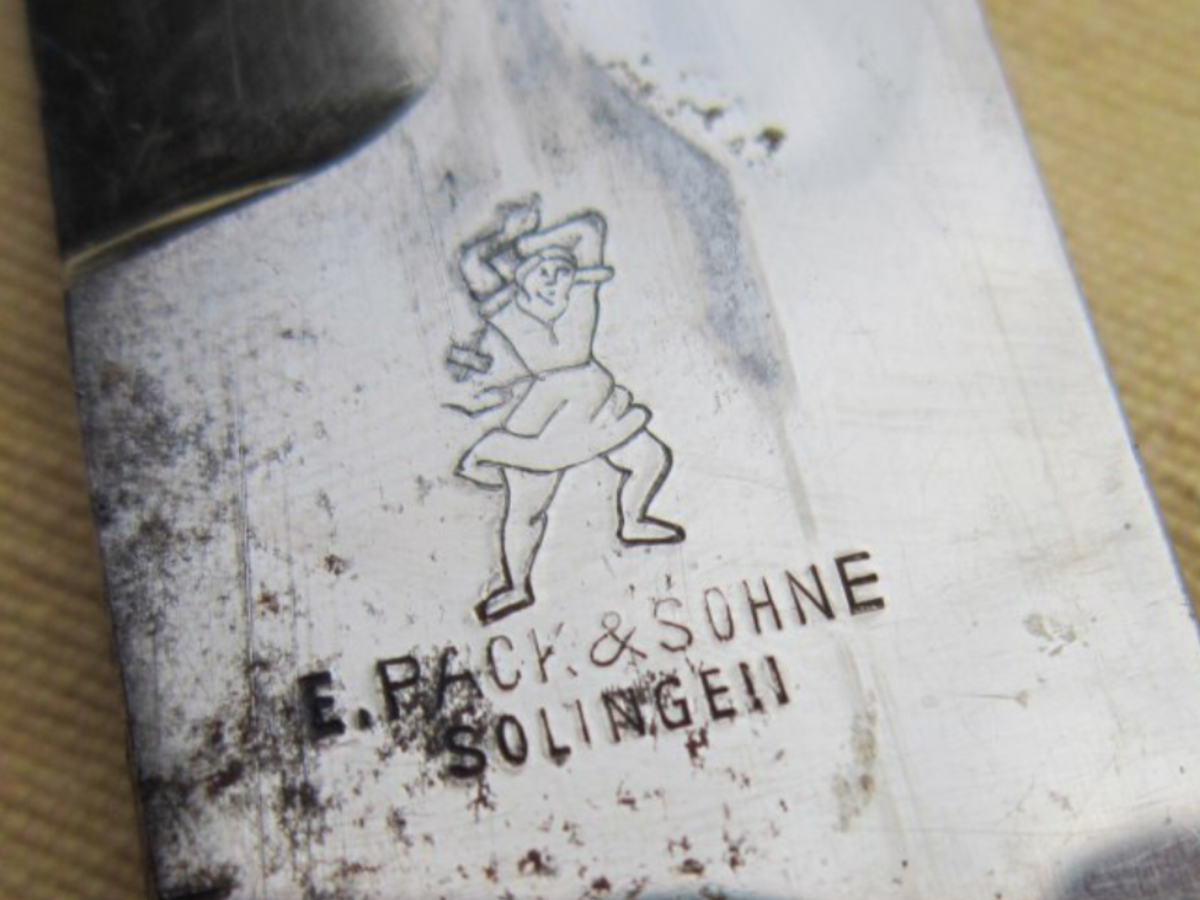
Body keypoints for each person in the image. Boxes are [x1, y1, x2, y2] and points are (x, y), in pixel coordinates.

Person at [449, 198, 685, 625]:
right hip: (548, 415)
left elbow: (591, 227)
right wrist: (506, 237)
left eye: (562, 272)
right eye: (542, 273)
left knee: (651, 458)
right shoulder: (508, 311)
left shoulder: (580, 296)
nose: (554, 281)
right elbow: (470, 263)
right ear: (521, 281)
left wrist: (526, 243)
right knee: (526, 508)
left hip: (598, 405)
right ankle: (517, 586)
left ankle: (633, 521)